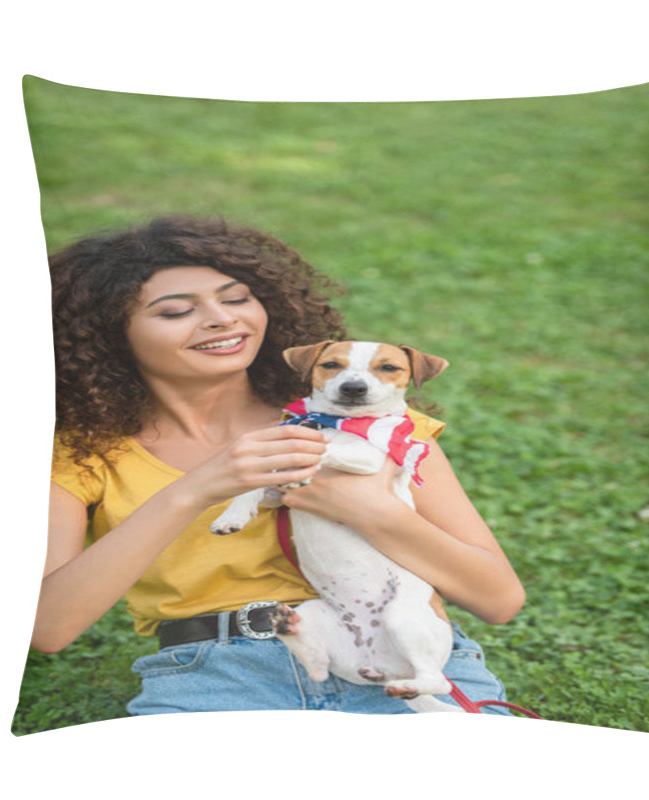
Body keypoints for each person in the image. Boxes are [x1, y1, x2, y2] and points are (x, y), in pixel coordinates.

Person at [34, 215, 525, 716]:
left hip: (404, 663)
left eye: (237, 298)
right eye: (177, 311)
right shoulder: (82, 455)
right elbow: (49, 628)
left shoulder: (372, 429)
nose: (223, 319)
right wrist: (195, 490)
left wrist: (376, 511)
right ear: (110, 335)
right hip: (216, 677)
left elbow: (499, 599)